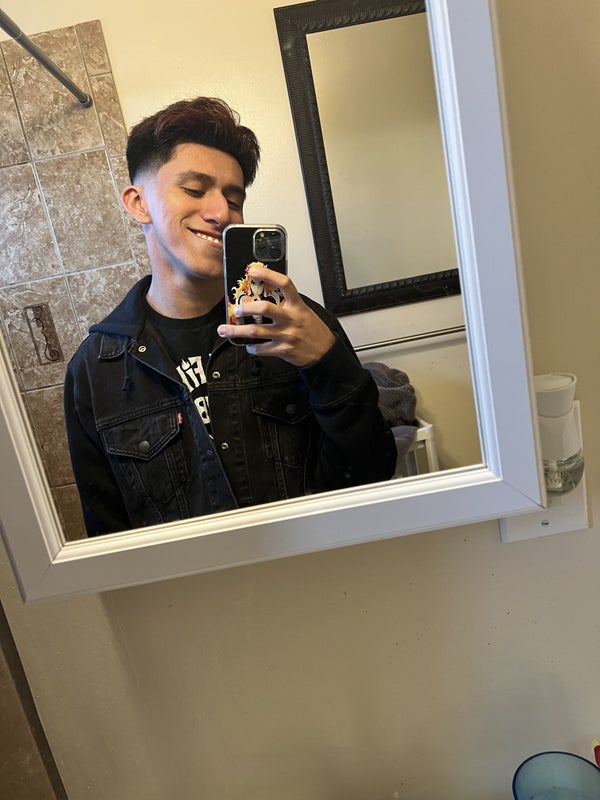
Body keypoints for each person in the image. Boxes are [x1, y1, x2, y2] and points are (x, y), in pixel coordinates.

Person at [64, 97, 397, 536]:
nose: (221, 213)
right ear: (138, 203)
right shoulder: (95, 370)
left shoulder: (297, 324)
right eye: (194, 189)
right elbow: (110, 536)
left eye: (233, 199)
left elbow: (374, 473)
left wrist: (327, 363)